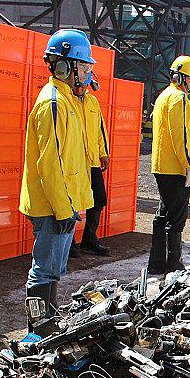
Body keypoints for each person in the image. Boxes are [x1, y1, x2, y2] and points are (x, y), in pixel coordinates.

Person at [19, 30, 94, 334]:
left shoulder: (69, 100)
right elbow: (50, 163)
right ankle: (37, 331)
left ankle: (46, 324)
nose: (89, 73)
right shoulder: (53, 103)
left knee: (53, 270)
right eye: (85, 67)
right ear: (65, 67)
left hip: (63, 203)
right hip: (53, 204)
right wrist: (64, 209)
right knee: (44, 270)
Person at [149, 55, 190, 276]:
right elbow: (179, 135)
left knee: (163, 214)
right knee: (176, 218)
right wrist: (188, 164)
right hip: (175, 168)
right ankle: (174, 264)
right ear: (179, 77)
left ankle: (157, 263)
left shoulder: (165, 96)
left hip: (163, 166)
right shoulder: (178, 98)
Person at [72, 78, 111, 257]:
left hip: (92, 160)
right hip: (74, 162)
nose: (80, 88)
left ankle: (89, 239)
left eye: (83, 85)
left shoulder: (92, 102)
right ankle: (69, 244)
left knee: (99, 199)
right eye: (78, 84)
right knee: (71, 203)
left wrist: (104, 153)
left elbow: (100, 131)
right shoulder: (66, 101)